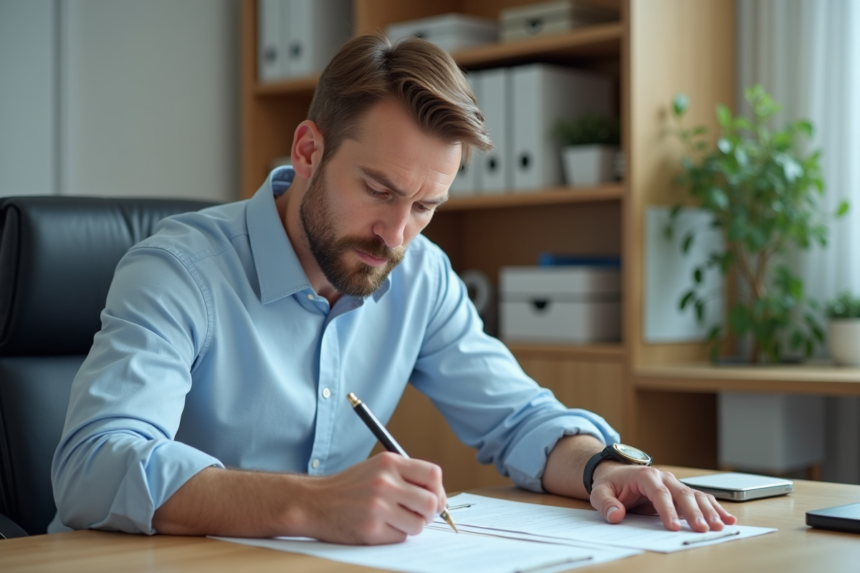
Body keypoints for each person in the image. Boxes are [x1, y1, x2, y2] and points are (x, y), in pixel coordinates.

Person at [51, 34, 736, 544]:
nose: (395, 233)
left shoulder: (420, 274)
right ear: (309, 150)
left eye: (425, 205)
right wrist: (311, 504)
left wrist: (600, 470)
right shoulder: (179, 270)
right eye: (377, 190)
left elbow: (518, 419)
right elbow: (93, 465)